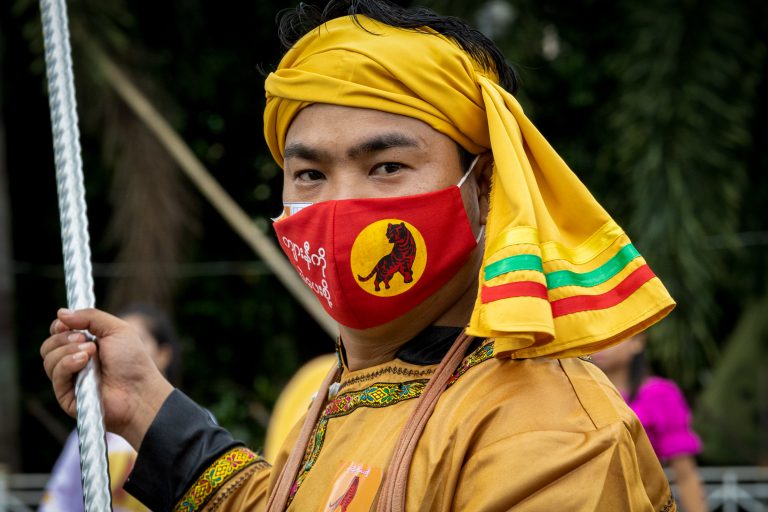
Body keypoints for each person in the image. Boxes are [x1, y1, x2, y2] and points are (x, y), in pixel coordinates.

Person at [40, 1, 680, 510]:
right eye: (310, 175)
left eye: (387, 166)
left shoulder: (553, 434)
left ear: (484, 186)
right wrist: (146, 405)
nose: (343, 205)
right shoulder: (345, 394)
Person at [39, 304, 178, 512]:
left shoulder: (193, 426)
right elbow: (59, 501)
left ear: (164, 354)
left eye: (137, 341)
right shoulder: (89, 432)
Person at [592, 333, 708, 512]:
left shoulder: (660, 395)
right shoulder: (574, 395)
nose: (600, 342)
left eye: (612, 334)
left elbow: (685, 475)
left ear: (637, 342)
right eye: (593, 335)